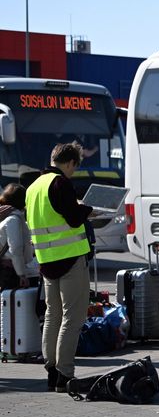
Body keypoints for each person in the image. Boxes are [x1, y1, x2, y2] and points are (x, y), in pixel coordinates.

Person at [27, 142, 94, 391]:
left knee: (52, 316)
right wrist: (88, 210)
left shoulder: (34, 186)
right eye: (75, 167)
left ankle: (51, 371)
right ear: (70, 163)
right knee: (72, 317)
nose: (73, 172)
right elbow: (74, 219)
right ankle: (65, 374)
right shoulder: (60, 183)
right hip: (70, 259)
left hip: (46, 261)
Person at [0, 184, 37, 291]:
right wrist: (21, 274)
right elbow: (15, 249)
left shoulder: (4, 215)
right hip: (11, 271)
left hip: (8, 269)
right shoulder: (13, 220)